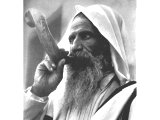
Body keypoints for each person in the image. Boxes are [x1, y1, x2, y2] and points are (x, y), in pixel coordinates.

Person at [24, 4, 136, 120]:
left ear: (107, 45)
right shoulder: (56, 100)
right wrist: (39, 91)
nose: (74, 46)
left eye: (86, 36)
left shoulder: (130, 99)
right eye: (71, 39)